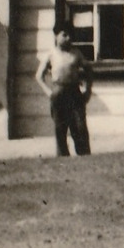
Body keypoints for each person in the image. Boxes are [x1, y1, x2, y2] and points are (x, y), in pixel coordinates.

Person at [36, 27, 92, 156]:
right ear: (56, 36)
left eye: (70, 35)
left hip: (74, 92)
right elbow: (39, 76)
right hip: (59, 92)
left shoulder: (76, 53)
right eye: (65, 34)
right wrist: (49, 92)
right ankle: (62, 157)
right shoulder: (51, 54)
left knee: (80, 126)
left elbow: (88, 71)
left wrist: (88, 90)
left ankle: (84, 156)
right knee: (60, 127)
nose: (68, 38)